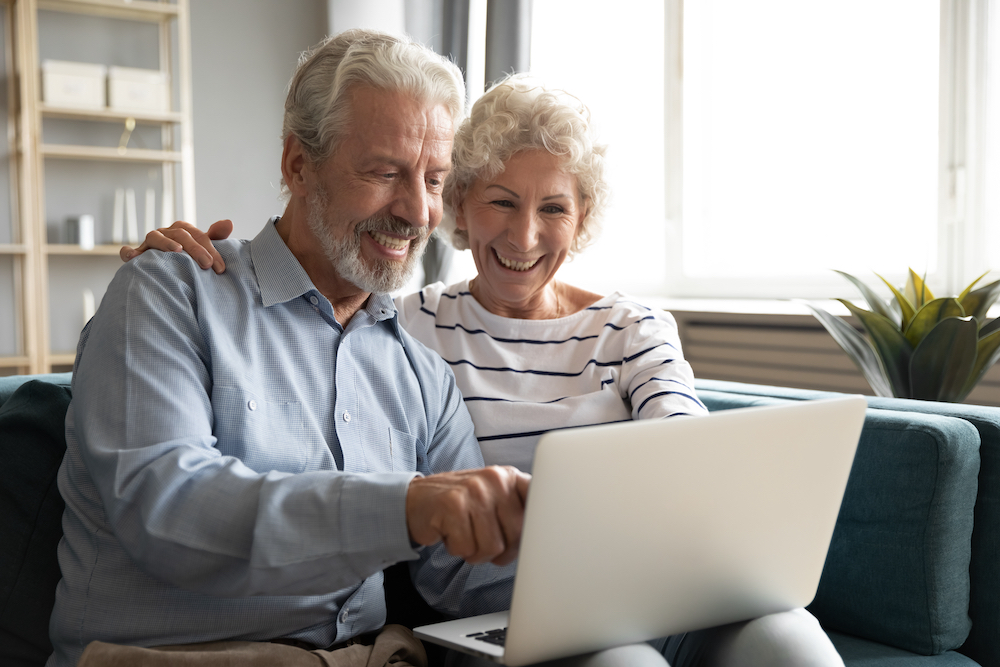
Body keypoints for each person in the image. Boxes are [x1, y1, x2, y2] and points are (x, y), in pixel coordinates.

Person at [129, 74, 846, 667]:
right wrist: (194, 267)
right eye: (501, 201)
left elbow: (686, 452)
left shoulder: (632, 328)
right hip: (522, 615)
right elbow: (316, 294)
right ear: (462, 207)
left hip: (669, 590)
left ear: (582, 214)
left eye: (553, 208)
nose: (524, 235)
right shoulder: (404, 326)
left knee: (791, 642)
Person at [49, 30, 535, 667]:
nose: (417, 211)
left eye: (435, 180)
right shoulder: (169, 292)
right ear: (298, 165)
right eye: (385, 172)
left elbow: (468, 578)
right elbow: (169, 512)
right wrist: (407, 506)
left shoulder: (420, 373)